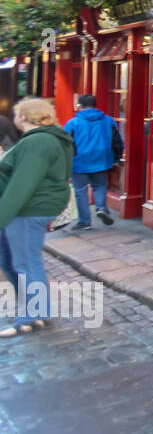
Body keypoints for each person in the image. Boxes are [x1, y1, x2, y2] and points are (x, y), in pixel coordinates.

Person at [0, 99, 75, 337]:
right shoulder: (45, 139)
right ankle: (34, 310)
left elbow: (23, 183)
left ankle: (33, 314)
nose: (14, 119)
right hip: (27, 208)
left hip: (28, 209)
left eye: (16, 115)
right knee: (10, 260)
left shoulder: (38, 141)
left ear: (24, 116)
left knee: (25, 263)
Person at [62, 94, 122, 230]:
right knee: (100, 186)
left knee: (80, 191)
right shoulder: (108, 120)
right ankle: (101, 207)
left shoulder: (72, 123)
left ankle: (84, 221)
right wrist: (116, 157)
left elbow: (65, 145)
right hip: (102, 158)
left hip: (79, 161)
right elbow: (117, 140)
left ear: (80, 106)